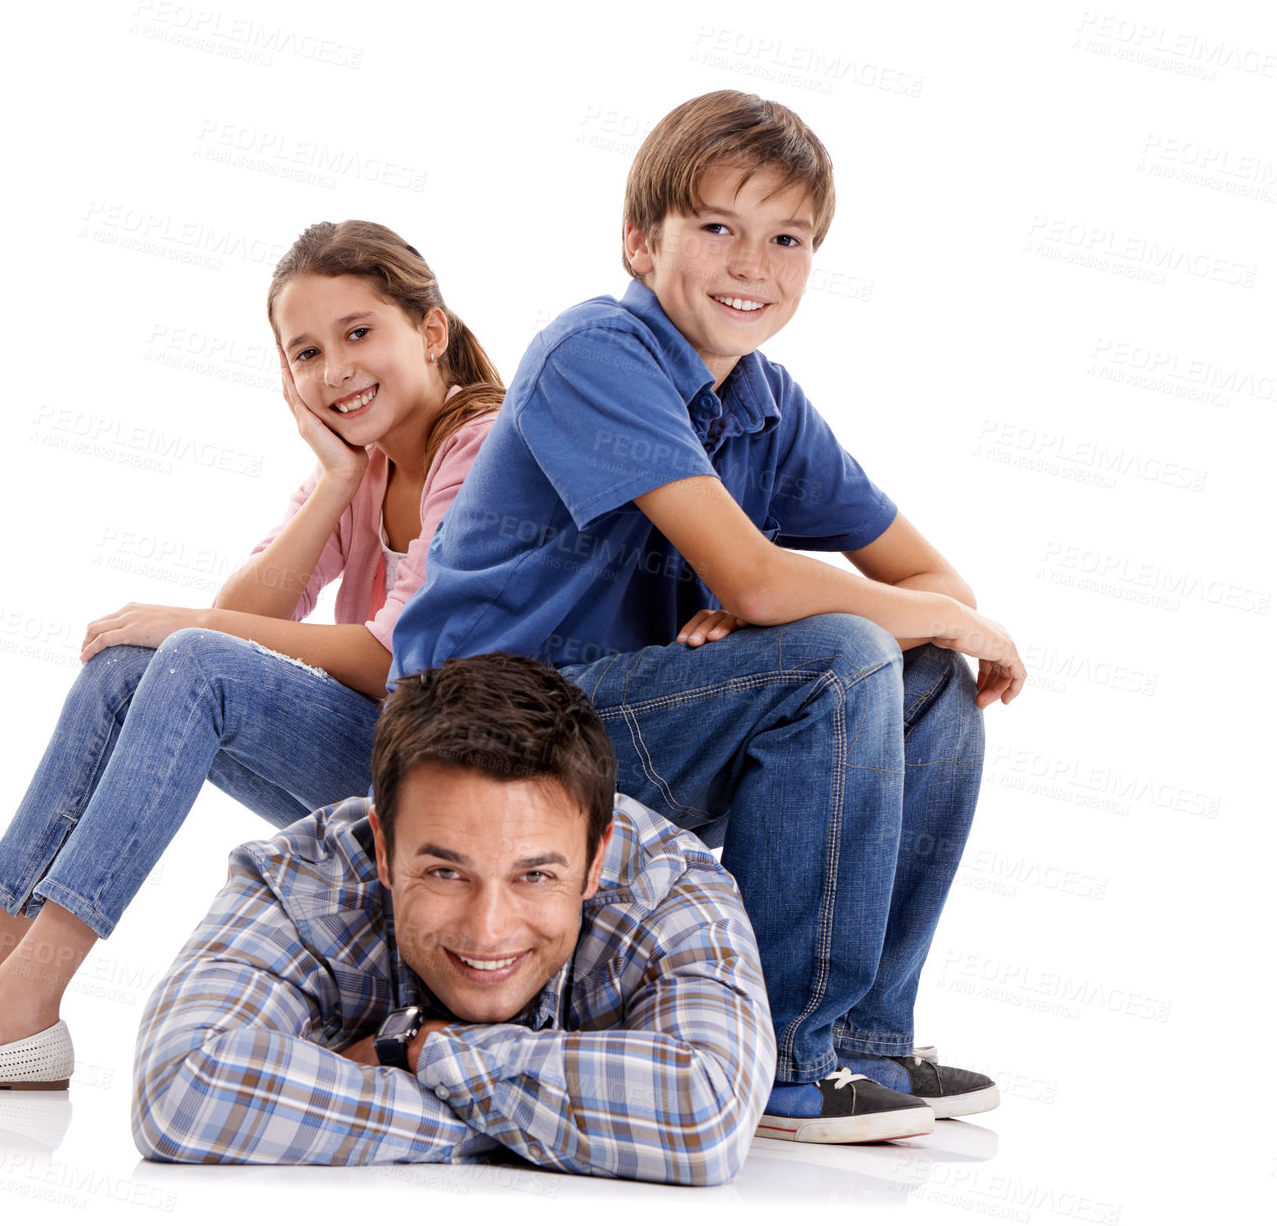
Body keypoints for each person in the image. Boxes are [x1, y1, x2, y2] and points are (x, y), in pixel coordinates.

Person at [390, 91, 1025, 1142]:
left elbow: (936, 591)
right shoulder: (595, 352)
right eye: (717, 228)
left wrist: (786, 612)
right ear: (642, 243)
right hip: (488, 726)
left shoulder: (769, 405)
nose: (751, 265)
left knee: (925, 676)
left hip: (624, 712)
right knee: (841, 655)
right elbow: (776, 587)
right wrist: (776, 603)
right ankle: (780, 1058)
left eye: (787, 239)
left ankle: (868, 1039)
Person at [0, 220, 505, 1088]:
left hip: (461, 782)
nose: (335, 370)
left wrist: (186, 626)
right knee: (130, 669)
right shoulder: (363, 468)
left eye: (359, 333)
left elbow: (385, 658)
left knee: (189, 656)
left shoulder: (480, 446)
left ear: (430, 331)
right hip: (390, 759)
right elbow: (243, 612)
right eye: (304, 353)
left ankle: (25, 1005)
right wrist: (332, 480)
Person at [130, 653, 771, 1184]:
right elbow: (182, 1090)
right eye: (445, 872)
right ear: (382, 847)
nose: (488, 929)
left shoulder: (668, 887)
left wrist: (416, 1046)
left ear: (596, 858)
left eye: (536, 875)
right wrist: (542, 1125)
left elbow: (705, 1115)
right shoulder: (304, 881)